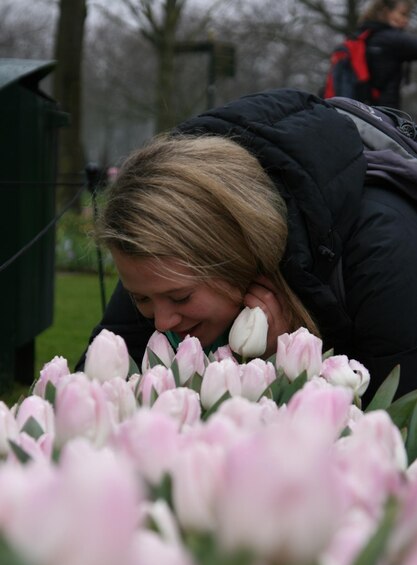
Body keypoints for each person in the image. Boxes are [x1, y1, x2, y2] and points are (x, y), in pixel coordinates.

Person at [80, 88, 417, 404]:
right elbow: (91, 387)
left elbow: (394, 424)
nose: (162, 322)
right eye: (140, 299)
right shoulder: (159, 267)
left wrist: (286, 367)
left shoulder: (383, 247)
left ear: (239, 255)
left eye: (181, 298)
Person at [359, 0, 417, 108]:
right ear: (386, 11)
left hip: (360, 110)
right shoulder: (389, 38)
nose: (406, 20)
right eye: (402, 14)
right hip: (383, 112)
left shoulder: (365, 34)